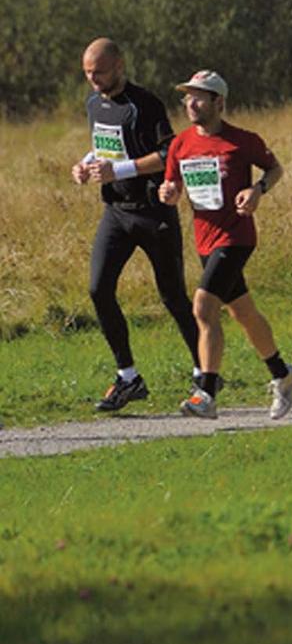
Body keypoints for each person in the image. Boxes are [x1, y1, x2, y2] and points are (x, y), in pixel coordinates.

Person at [159, 71, 292, 420]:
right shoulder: (180, 144)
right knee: (243, 313)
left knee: (203, 308)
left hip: (237, 238)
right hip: (205, 240)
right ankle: (282, 374)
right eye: (187, 97)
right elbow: (172, 185)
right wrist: (168, 193)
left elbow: (275, 169)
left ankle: (206, 393)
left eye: (199, 97)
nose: (190, 104)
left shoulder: (242, 141)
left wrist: (257, 190)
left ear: (218, 103)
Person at [71, 38, 200, 412]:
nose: (93, 80)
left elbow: (169, 153)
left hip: (152, 212)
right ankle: (128, 377)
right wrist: (85, 164)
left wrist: (120, 170)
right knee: (98, 289)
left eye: (99, 72)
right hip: (115, 211)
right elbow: (105, 144)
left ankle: (205, 373)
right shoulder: (94, 103)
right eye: (87, 73)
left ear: (119, 66)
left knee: (173, 296)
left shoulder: (146, 105)